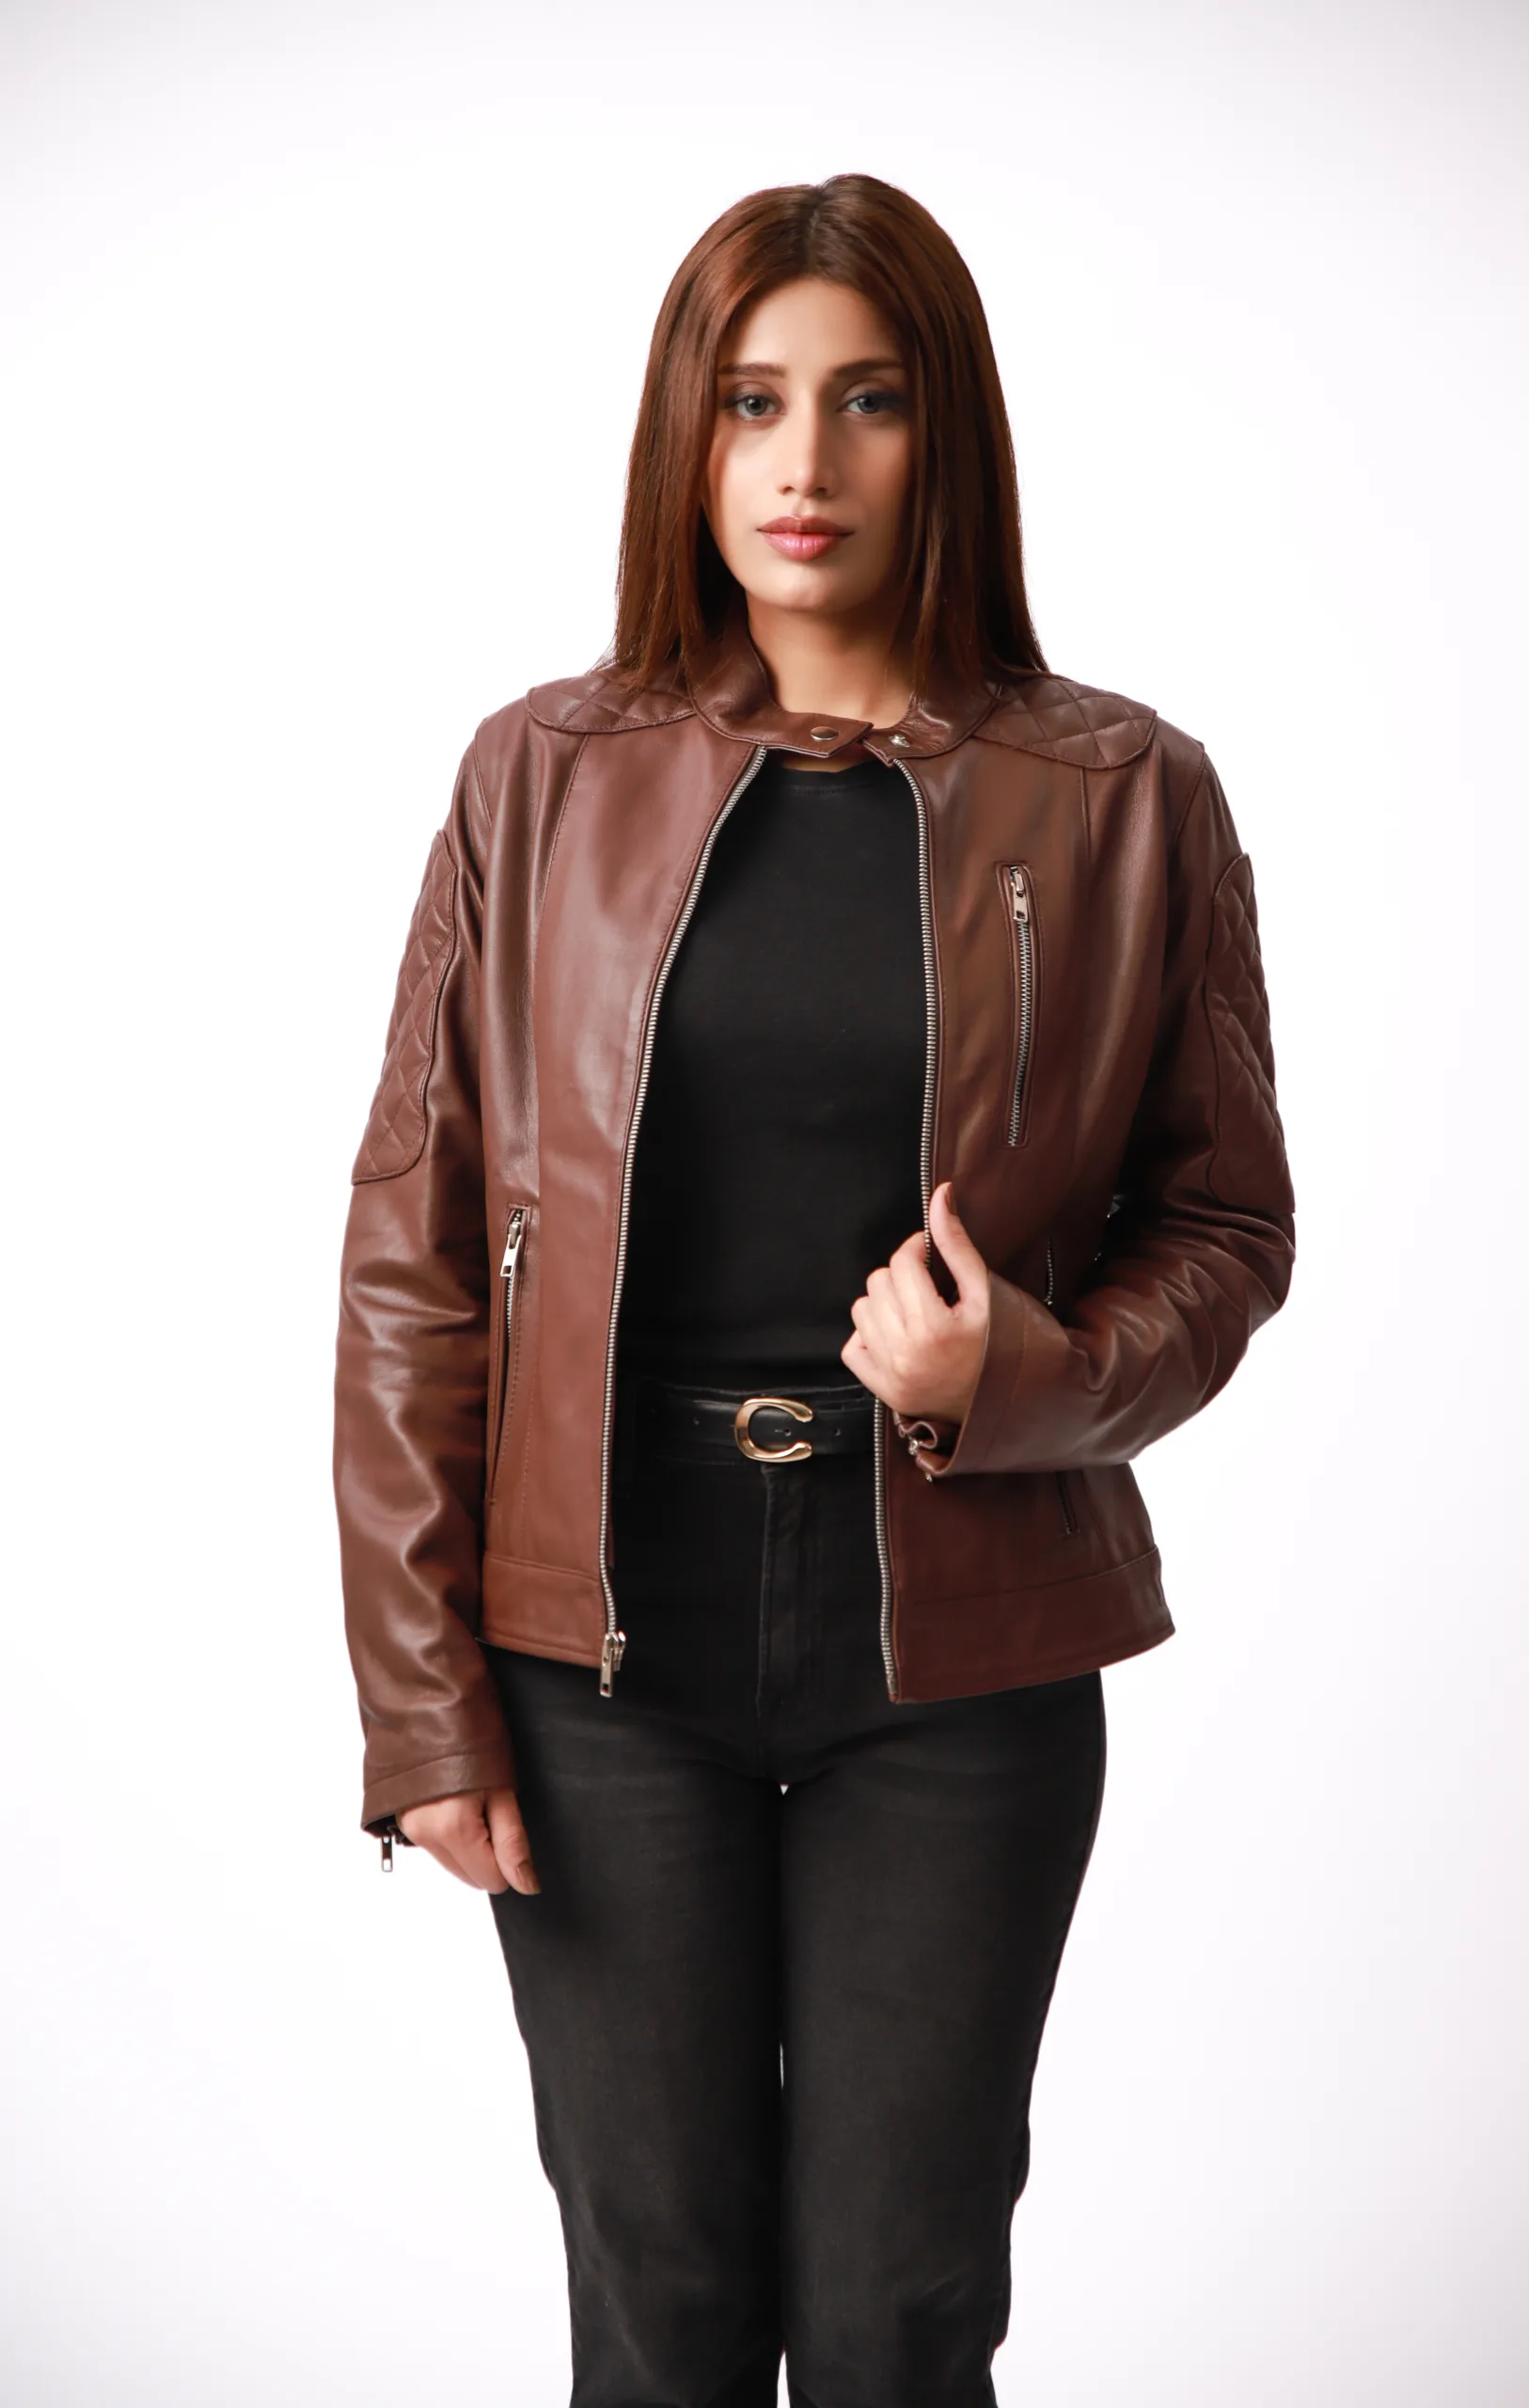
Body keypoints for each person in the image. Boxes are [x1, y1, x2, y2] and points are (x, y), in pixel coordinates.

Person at [333, 171, 1296, 2408]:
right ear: (684, 434)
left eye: (868, 400)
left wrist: (1024, 1370)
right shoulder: (538, 775)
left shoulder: (1123, 793)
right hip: (599, 1639)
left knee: (895, 2314)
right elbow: (413, 1241)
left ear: (945, 432)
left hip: (959, 1636)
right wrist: (417, 1697)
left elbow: (1226, 1221)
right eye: (751, 400)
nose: (804, 460)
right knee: (660, 2310)